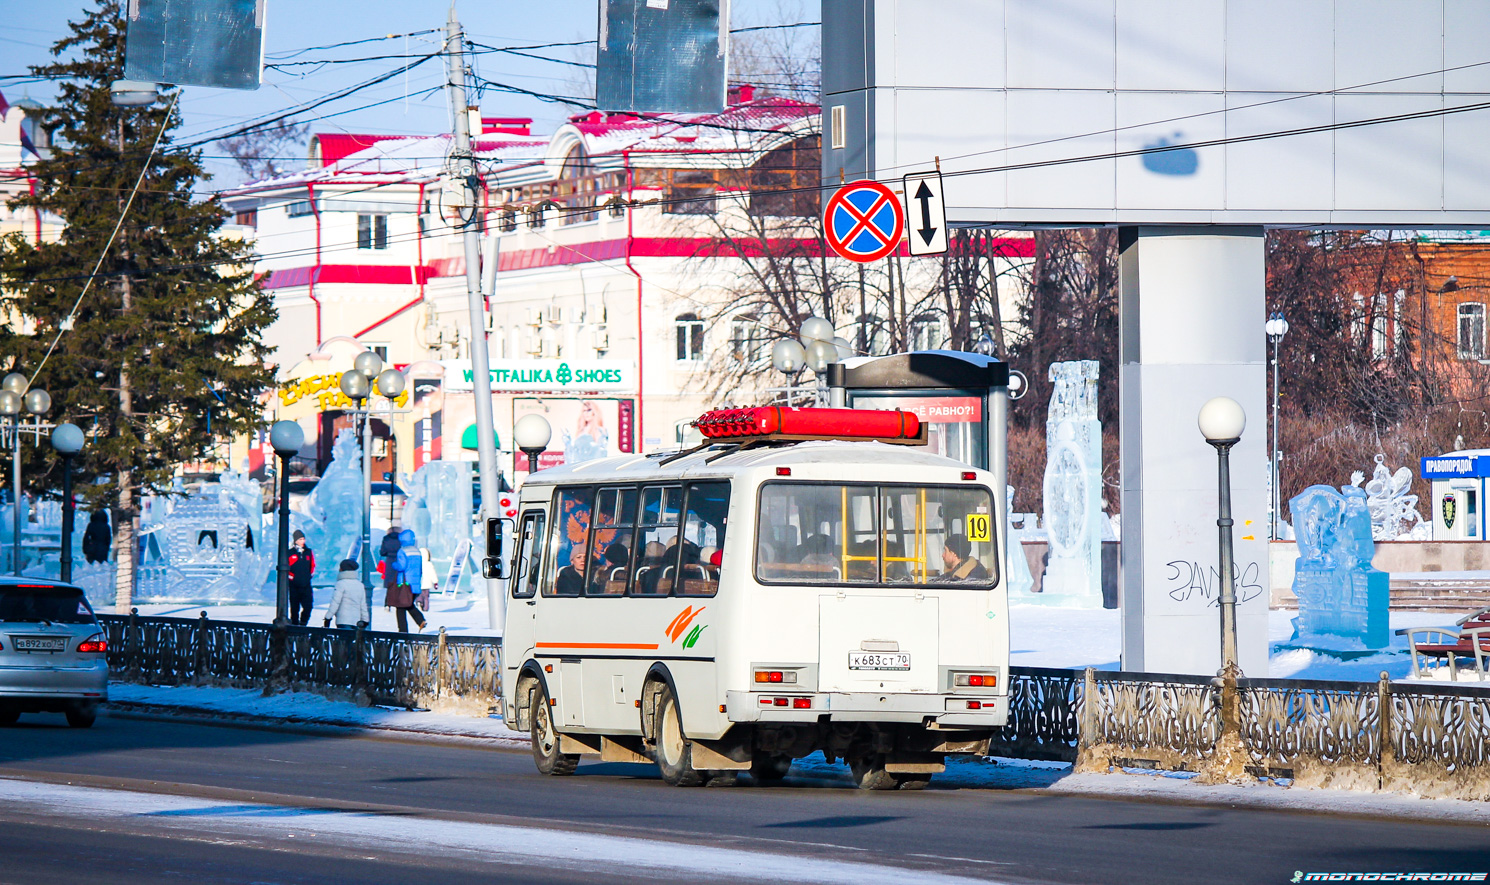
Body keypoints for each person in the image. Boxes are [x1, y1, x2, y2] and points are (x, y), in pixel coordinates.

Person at [388, 527, 427, 632]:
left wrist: (393, 564)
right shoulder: (417, 551)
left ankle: (403, 630)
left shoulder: (402, 551)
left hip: (404, 583)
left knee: (400, 607)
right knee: (408, 604)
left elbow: (401, 566)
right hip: (415, 583)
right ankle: (420, 620)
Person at [323, 559, 371, 629]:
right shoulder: (360, 585)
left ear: (342, 569)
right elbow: (363, 604)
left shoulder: (341, 584)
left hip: (343, 620)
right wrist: (365, 620)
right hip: (356, 621)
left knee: (344, 639)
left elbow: (335, 602)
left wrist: (328, 617)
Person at [287, 531, 315, 625]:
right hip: (294, 584)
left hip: (306, 584)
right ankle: (294, 625)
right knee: (294, 607)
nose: (302, 541)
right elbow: (286, 566)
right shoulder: (290, 553)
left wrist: (309, 576)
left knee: (308, 606)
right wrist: (291, 577)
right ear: (295, 541)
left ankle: (303, 623)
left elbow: (312, 565)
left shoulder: (308, 552)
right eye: (300, 539)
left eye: (303, 539)